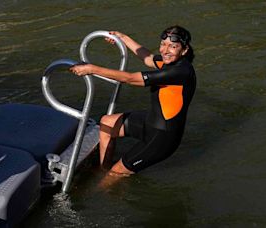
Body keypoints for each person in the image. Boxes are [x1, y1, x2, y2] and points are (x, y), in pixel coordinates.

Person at [70, 25, 196, 180]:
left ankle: (108, 187)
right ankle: (103, 169)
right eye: (163, 44)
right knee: (107, 123)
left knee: (115, 175)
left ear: (184, 50)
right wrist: (122, 38)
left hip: (163, 138)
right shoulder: (169, 62)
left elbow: (130, 78)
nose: (165, 50)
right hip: (151, 121)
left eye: (173, 46)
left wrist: (91, 69)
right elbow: (148, 58)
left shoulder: (180, 72)